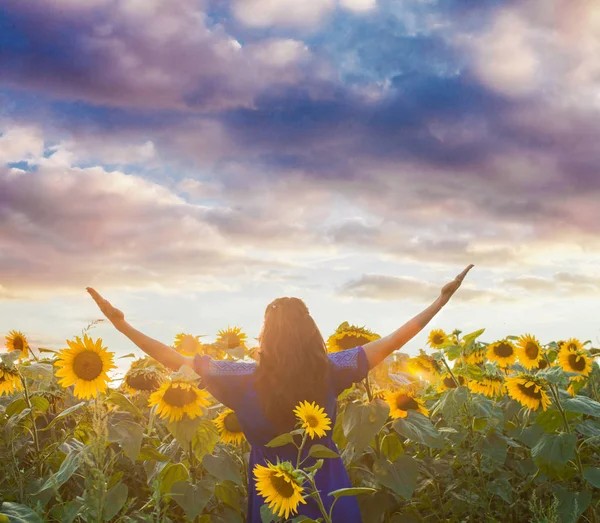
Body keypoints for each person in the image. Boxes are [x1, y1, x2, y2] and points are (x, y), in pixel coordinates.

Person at [87, 264, 474, 522]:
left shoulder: (240, 377)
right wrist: (440, 300)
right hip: (330, 493)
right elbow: (393, 340)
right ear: (311, 333)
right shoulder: (332, 370)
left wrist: (123, 326)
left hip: (273, 497)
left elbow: (175, 360)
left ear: (265, 336)